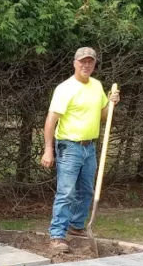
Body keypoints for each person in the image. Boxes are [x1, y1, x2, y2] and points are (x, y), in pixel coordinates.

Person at [41, 46, 121, 253]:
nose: (86, 65)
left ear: (94, 64)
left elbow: (102, 116)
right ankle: (57, 235)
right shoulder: (65, 88)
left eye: (90, 62)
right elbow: (51, 121)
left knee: (86, 190)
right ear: (74, 63)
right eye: (82, 61)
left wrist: (111, 104)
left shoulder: (96, 86)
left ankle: (76, 226)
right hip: (69, 147)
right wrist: (48, 150)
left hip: (89, 147)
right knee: (66, 192)